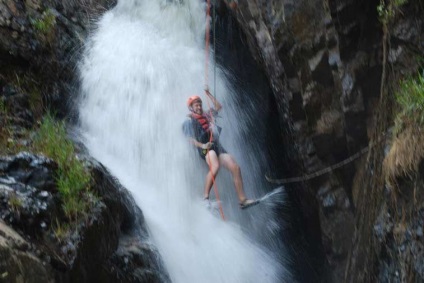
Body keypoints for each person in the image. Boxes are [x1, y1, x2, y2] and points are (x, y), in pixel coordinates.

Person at [182, 87, 258, 209]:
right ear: (191, 108)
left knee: (235, 167)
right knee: (215, 166)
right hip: (206, 148)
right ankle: (205, 198)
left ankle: (242, 200)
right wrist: (203, 145)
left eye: (200, 104)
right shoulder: (189, 122)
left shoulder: (208, 115)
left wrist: (209, 95)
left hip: (217, 147)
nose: (199, 107)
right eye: (196, 105)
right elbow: (190, 139)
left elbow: (218, 106)